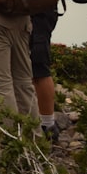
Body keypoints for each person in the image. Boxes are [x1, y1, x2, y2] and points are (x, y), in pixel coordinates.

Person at [30, 9, 60, 141]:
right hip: (41, 9)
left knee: (38, 70)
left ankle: (47, 126)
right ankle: (46, 123)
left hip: (37, 11)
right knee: (36, 69)